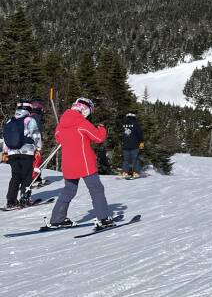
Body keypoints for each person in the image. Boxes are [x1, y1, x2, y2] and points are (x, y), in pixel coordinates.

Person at [45, 98, 113, 230]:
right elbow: (98, 138)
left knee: (68, 190)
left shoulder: (61, 124)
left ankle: (56, 219)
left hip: (68, 165)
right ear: (85, 111)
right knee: (96, 189)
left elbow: (58, 137)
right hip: (85, 163)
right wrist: (102, 128)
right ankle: (103, 219)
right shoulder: (82, 123)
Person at [4, 101, 43, 209]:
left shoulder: (10, 121)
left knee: (15, 176)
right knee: (26, 176)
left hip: (12, 153)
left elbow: (6, 137)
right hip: (26, 152)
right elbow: (36, 135)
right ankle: (24, 198)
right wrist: (39, 148)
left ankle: (11, 200)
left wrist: (6, 151)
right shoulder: (29, 120)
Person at [119, 111, 145, 179]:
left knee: (126, 160)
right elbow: (140, 133)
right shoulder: (136, 123)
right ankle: (135, 173)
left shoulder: (122, 124)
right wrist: (141, 141)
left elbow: (121, 134)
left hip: (125, 145)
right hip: (135, 145)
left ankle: (125, 172)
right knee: (135, 160)